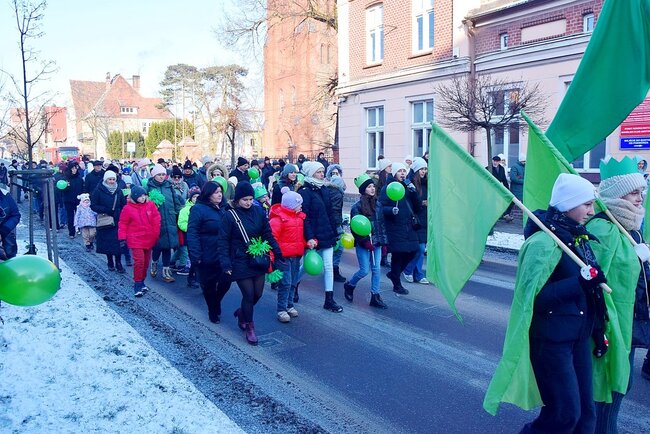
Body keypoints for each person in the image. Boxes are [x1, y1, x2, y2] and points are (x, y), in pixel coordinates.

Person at [484, 173, 605, 433]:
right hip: (552, 342)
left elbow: (592, 294)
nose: (591, 211)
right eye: (586, 204)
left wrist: (598, 330)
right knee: (564, 415)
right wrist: (580, 282)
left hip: (579, 338)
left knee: (586, 415)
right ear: (568, 204)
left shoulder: (578, 238)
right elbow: (532, 299)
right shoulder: (543, 243)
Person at [584, 157, 650, 433]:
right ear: (617, 194)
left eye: (642, 191)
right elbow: (592, 282)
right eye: (634, 192)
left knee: (623, 383)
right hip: (610, 324)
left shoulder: (631, 227)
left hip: (630, 322)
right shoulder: (602, 228)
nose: (640, 198)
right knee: (609, 387)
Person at [217, 182, 282, 345]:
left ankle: (242, 313)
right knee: (248, 294)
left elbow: (267, 233)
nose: (248, 202)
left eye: (251, 199)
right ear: (237, 200)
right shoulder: (229, 215)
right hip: (239, 259)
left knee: (257, 294)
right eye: (245, 199)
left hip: (257, 258)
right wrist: (225, 263)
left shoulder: (259, 211)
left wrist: (277, 251)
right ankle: (250, 327)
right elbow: (223, 241)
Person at [297, 161, 344, 313]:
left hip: (327, 234)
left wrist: (335, 233)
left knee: (328, 267)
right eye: (318, 172)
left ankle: (329, 300)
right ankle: (293, 285)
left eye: (323, 171)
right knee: (307, 266)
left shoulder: (324, 189)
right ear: (311, 173)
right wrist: (310, 237)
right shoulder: (305, 192)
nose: (322, 174)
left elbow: (330, 213)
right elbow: (305, 217)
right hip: (313, 236)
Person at [187, 182, 232, 323]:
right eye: (216, 192)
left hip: (224, 253)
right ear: (208, 194)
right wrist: (196, 255)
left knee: (226, 281)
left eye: (220, 192)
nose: (219, 195)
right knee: (209, 285)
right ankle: (212, 310)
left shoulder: (224, 208)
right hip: (207, 253)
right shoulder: (198, 209)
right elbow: (192, 232)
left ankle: (216, 301)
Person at [344, 174, 388, 309]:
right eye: (369, 187)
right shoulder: (356, 207)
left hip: (377, 243)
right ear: (363, 189)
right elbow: (355, 228)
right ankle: (350, 285)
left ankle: (375, 295)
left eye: (373, 186)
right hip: (364, 244)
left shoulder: (378, 205)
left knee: (376, 269)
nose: (372, 188)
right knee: (364, 270)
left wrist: (384, 243)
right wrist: (365, 242)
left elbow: (381, 225)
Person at [379, 162, 419, 295]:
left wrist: (414, 192)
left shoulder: (408, 187)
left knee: (414, 251)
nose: (402, 173)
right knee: (398, 255)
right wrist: (391, 210)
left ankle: (394, 274)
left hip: (408, 226)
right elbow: (381, 207)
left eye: (404, 171)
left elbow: (417, 207)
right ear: (394, 173)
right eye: (399, 171)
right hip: (394, 227)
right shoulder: (387, 188)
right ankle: (397, 284)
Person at [269, 186, 306, 322]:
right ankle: (281, 309)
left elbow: (300, 236)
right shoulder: (278, 219)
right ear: (291, 205)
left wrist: (307, 243)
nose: (301, 206)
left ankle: (290, 305)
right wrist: (272, 256)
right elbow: (272, 239)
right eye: (299, 204)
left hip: (296, 255)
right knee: (285, 283)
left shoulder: (299, 218)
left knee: (293, 282)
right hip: (283, 257)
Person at [118, 186, 161, 297]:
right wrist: (122, 238)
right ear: (135, 197)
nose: (143, 198)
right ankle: (137, 284)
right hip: (135, 239)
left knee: (146, 262)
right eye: (140, 196)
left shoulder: (150, 205)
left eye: (144, 195)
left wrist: (156, 234)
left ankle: (142, 281)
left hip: (149, 238)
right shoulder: (128, 208)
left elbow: (156, 219)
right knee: (139, 262)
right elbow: (123, 223)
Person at [146, 164, 184, 283]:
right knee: (158, 246)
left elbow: (176, 202)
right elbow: (144, 204)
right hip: (156, 221)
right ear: (154, 176)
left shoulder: (169, 186)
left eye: (163, 174)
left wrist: (179, 213)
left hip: (170, 220)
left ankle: (166, 272)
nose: (162, 177)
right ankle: (154, 263)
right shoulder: (149, 187)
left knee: (168, 247)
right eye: (159, 175)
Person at [91, 170, 127, 273]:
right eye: (110, 179)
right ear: (105, 180)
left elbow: (123, 205)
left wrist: (119, 213)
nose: (111, 181)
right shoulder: (98, 190)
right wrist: (105, 210)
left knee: (118, 243)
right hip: (105, 220)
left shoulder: (118, 191)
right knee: (107, 243)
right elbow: (93, 205)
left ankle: (118, 263)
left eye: (113, 179)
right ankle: (110, 261)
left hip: (117, 220)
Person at [402, 157, 429, 284]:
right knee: (419, 249)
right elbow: (407, 203)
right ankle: (408, 270)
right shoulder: (409, 184)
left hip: (424, 220)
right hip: (414, 221)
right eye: (421, 169)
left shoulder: (427, 184)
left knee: (421, 249)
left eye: (425, 169)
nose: (424, 171)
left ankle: (418, 274)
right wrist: (422, 203)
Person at [175, 186, 201, 284]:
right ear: (190, 198)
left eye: (198, 196)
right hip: (188, 235)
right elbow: (181, 223)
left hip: (200, 236)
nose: (196, 199)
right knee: (188, 253)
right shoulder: (185, 210)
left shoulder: (202, 208)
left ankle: (173, 262)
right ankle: (188, 271)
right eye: (194, 197)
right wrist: (191, 229)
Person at [325, 164, 346, 283]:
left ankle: (332, 270)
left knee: (332, 248)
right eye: (333, 173)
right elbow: (335, 210)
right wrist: (338, 225)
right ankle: (333, 270)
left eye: (337, 173)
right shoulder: (335, 191)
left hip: (333, 223)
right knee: (337, 248)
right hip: (334, 224)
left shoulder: (336, 190)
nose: (335, 176)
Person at [488, 155, 514, 222]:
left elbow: (504, 179)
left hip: (498, 188)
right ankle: (495, 216)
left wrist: (507, 190)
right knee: (493, 202)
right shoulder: (488, 168)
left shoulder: (501, 168)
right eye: (494, 161)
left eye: (497, 161)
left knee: (505, 201)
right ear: (492, 161)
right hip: (490, 189)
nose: (495, 162)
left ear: (499, 162)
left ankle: (505, 215)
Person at [62, 161, 84, 239]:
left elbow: (82, 188)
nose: (74, 170)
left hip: (78, 200)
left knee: (79, 215)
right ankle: (71, 232)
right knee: (70, 217)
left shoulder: (79, 178)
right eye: (73, 168)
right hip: (69, 200)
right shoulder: (66, 178)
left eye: (75, 168)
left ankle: (79, 229)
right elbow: (62, 190)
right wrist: (66, 187)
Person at [0, 182, 20, 259]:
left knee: (9, 257)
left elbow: (15, 215)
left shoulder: (5, 195)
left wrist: (4, 229)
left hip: (5, 233)